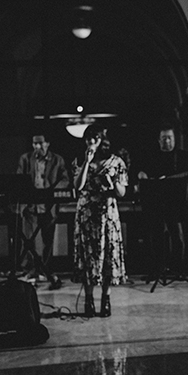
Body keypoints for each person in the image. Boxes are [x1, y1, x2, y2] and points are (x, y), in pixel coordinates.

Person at [73, 125, 128, 317]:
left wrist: (112, 183)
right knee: (89, 256)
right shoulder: (80, 160)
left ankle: (106, 299)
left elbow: (122, 192)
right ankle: (89, 299)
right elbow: (78, 186)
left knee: (107, 255)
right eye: (88, 139)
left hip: (107, 214)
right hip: (87, 213)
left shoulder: (116, 162)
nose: (91, 142)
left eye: (95, 139)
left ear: (102, 140)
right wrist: (87, 163)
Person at [137, 124, 188, 278]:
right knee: (157, 238)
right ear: (159, 140)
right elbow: (142, 174)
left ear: (174, 139)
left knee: (178, 238)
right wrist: (142, 175)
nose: (167, 141)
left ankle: (178, 270)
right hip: (156, 204)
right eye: (164, 138)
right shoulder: (151, 156)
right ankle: (158, 270)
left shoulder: (184, 157)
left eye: (170, 138)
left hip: (177, 204)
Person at [17, 134, 70, 287]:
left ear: (47, 144)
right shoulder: (26, 159)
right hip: (31, 205)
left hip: (49, 205)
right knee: (29, 240)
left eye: (40, 144)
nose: (37, 147)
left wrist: (53, 193)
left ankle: (46, 270)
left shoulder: (57, 160)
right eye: (34, 144)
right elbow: (19, 178)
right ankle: (31, 271)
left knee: (48, 240)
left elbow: (65, 179)